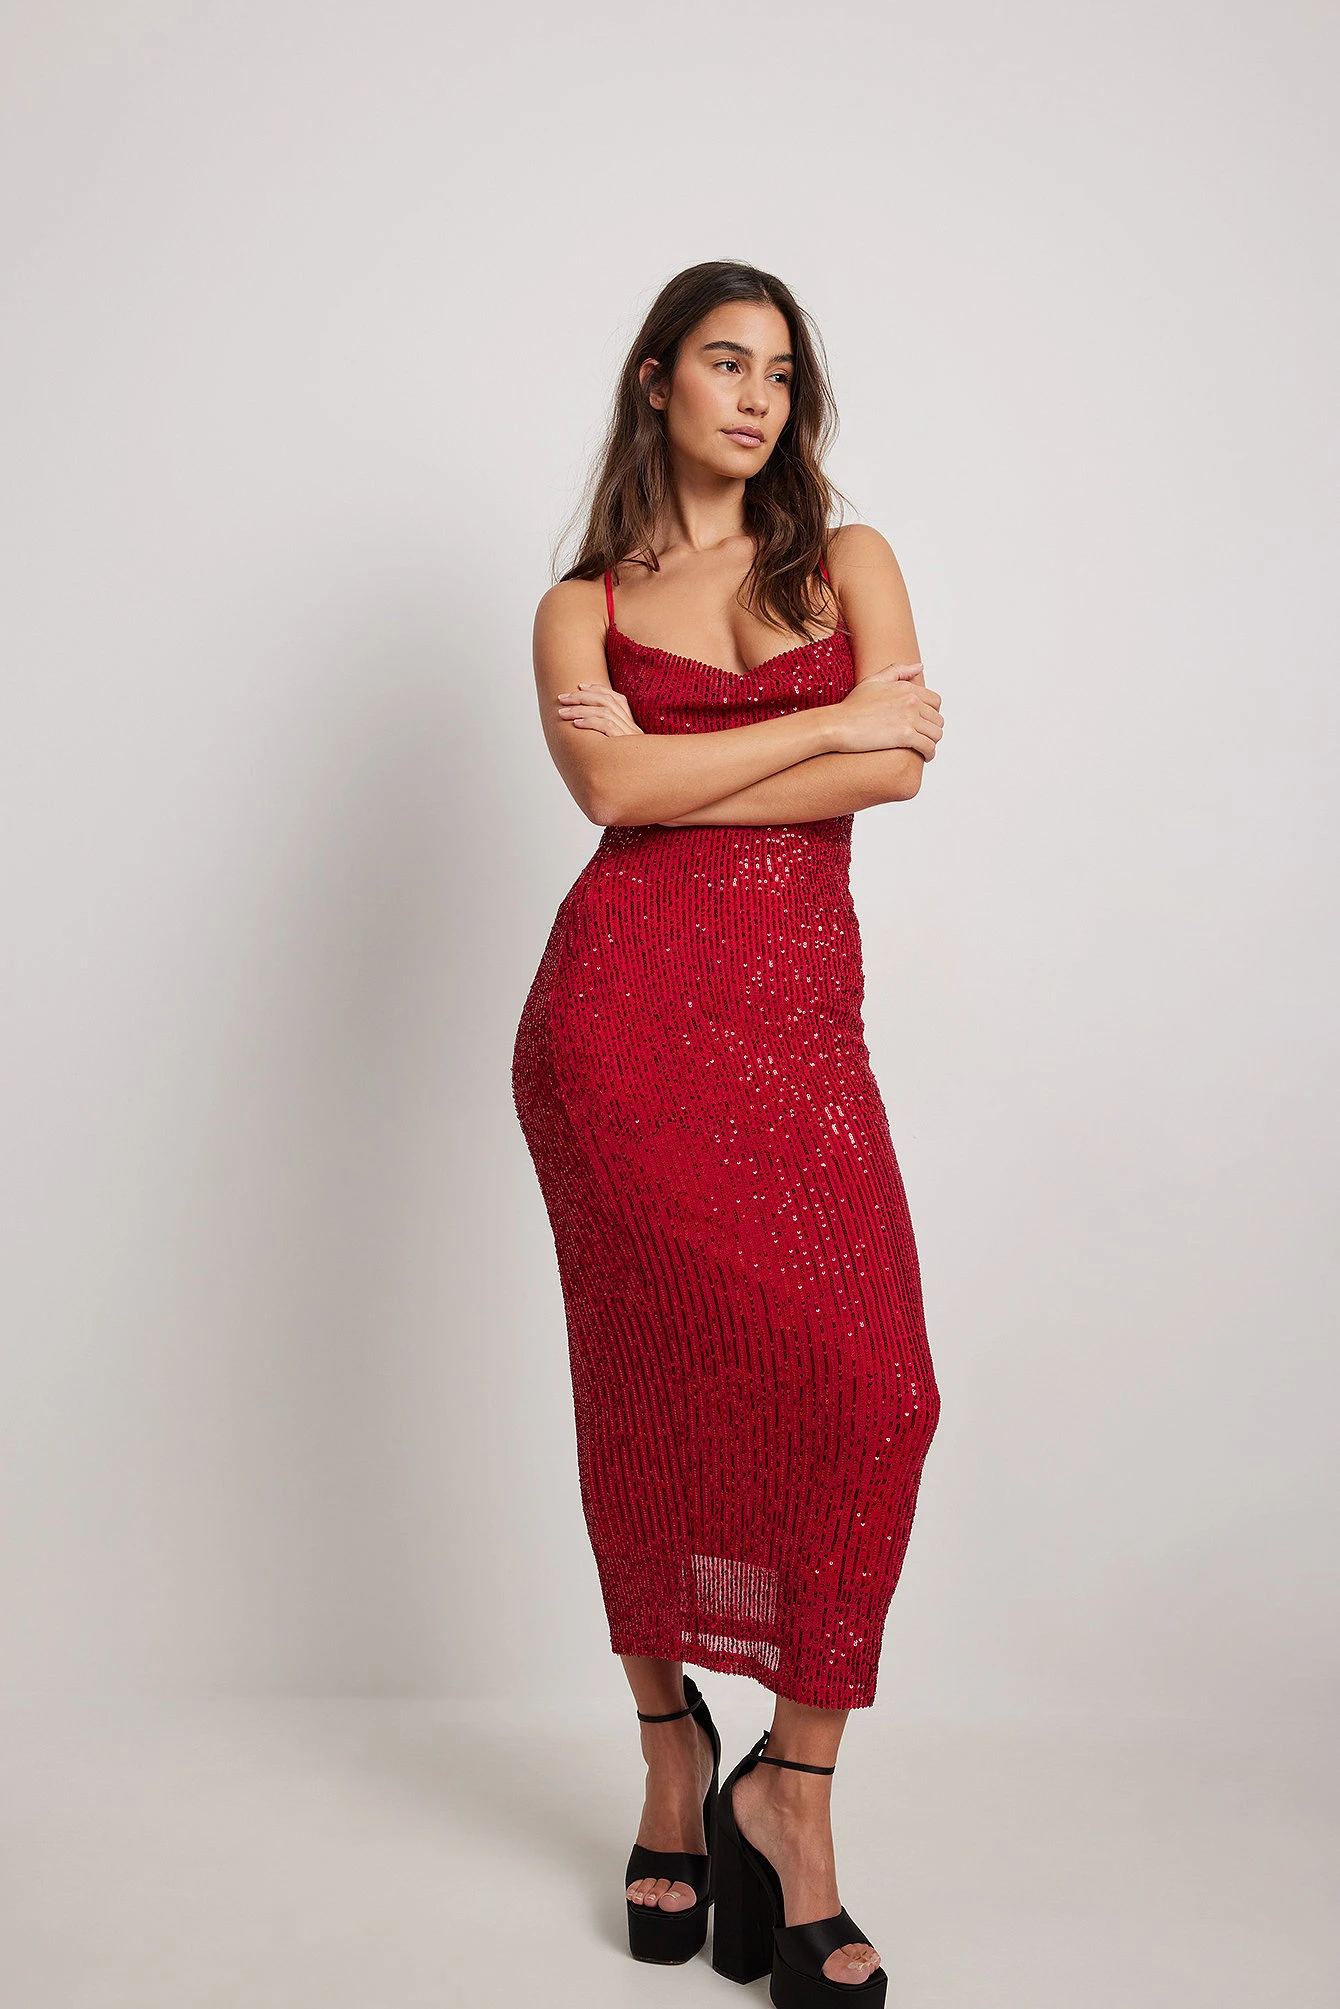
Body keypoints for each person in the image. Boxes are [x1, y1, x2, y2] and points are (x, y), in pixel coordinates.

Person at [512, 259, 945, 2003]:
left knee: (879, 1388)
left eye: (781, 373)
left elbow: (898, 770)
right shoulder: (583, 605)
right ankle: (672, 1756)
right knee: (647, 1401)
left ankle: (790, 1791)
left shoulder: (845, 561)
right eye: (724, 363)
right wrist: (826, 719)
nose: (757, 398)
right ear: (656, 381)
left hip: (796, 1042)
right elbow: (610, 790)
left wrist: (723, 757)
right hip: (612, 1040)